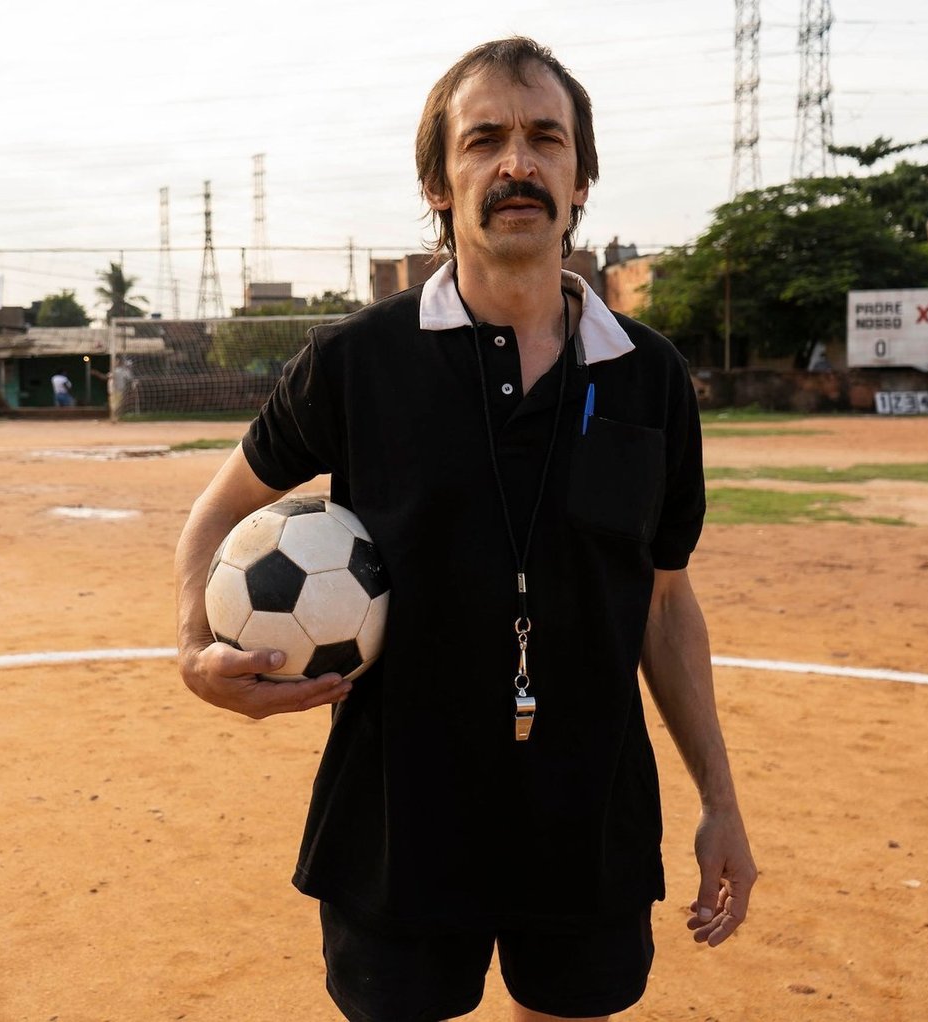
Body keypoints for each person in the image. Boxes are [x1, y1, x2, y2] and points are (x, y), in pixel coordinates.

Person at [174, 37, 756, 1022]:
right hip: (398, 810)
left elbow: (665, 603)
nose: (516, 162)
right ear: (438, 185)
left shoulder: (650, 376)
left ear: (580, 177)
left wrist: (719, 801)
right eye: (483, 140)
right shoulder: (356, 360)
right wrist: (195, 648)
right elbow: (219, 508)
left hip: (588, 804)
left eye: (545, 138)